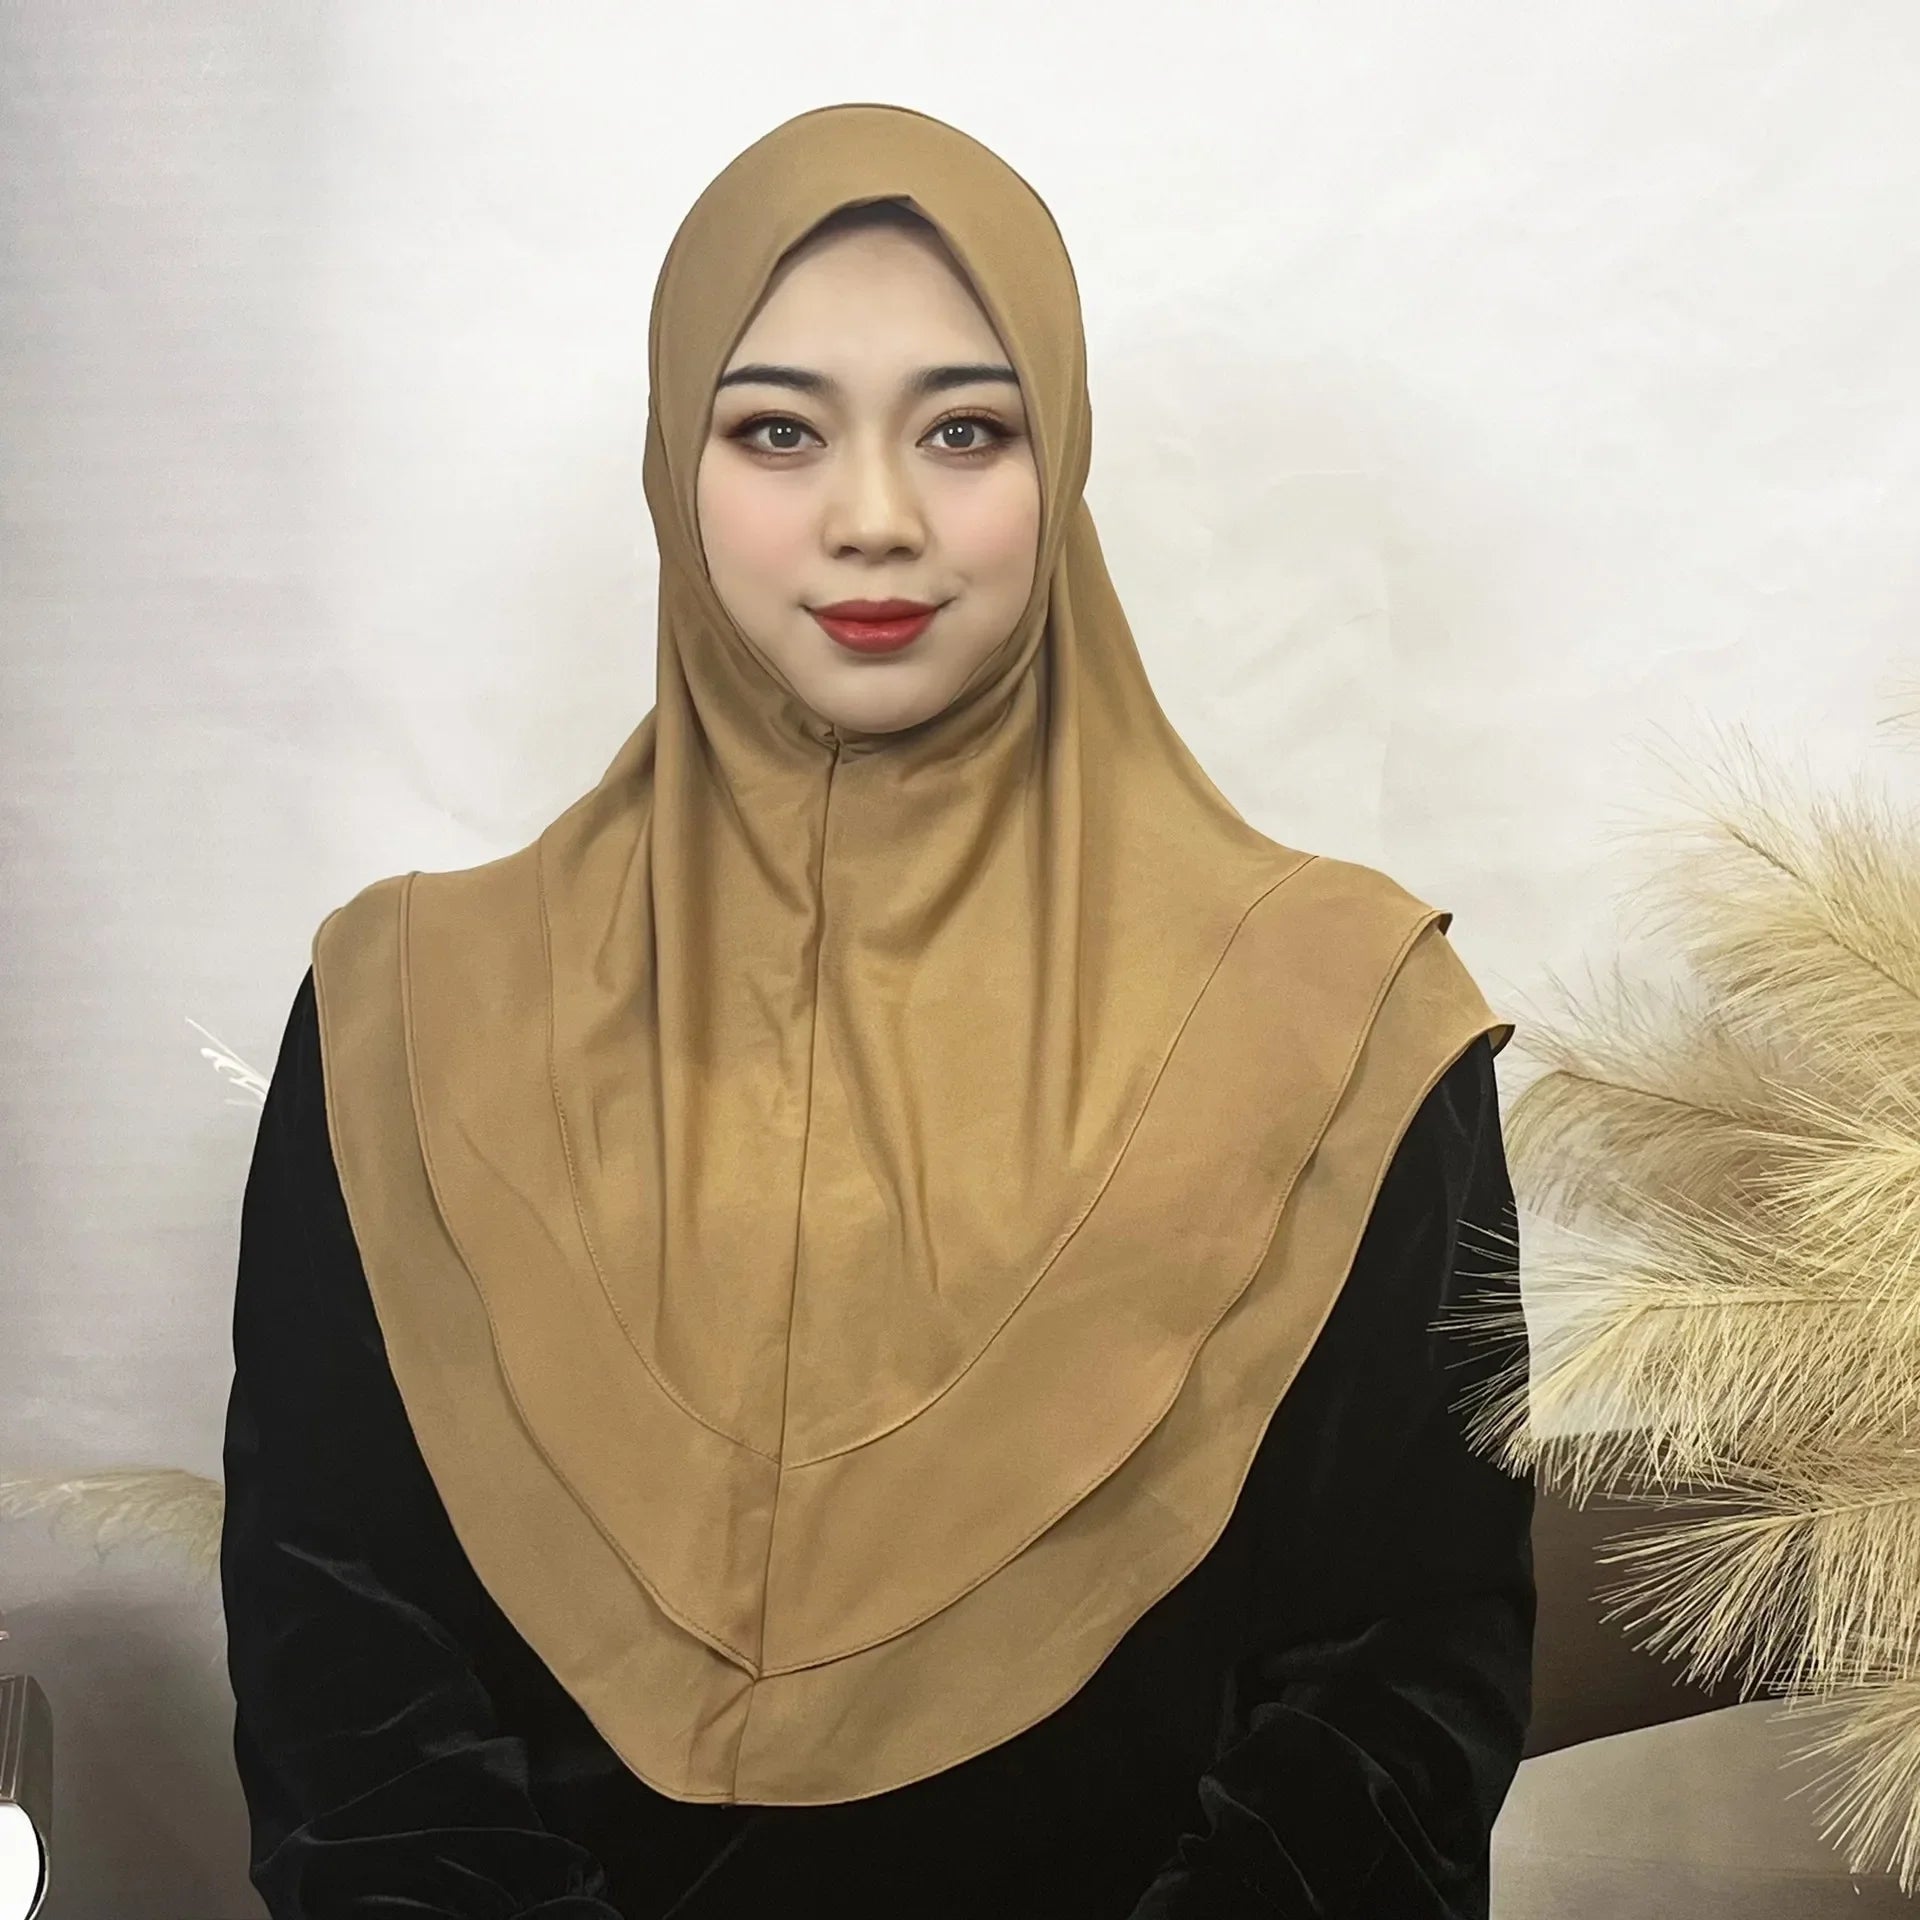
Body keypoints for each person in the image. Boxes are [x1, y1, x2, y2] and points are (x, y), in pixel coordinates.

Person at [219, 102, 1535, 1918]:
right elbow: (348, 1684)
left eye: (966, 429)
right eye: (778, 429)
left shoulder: (1337, 1022)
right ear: (673, 461)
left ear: (1062, 456)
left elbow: (1397, 1682)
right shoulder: (410, 1018)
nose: (874, 518)